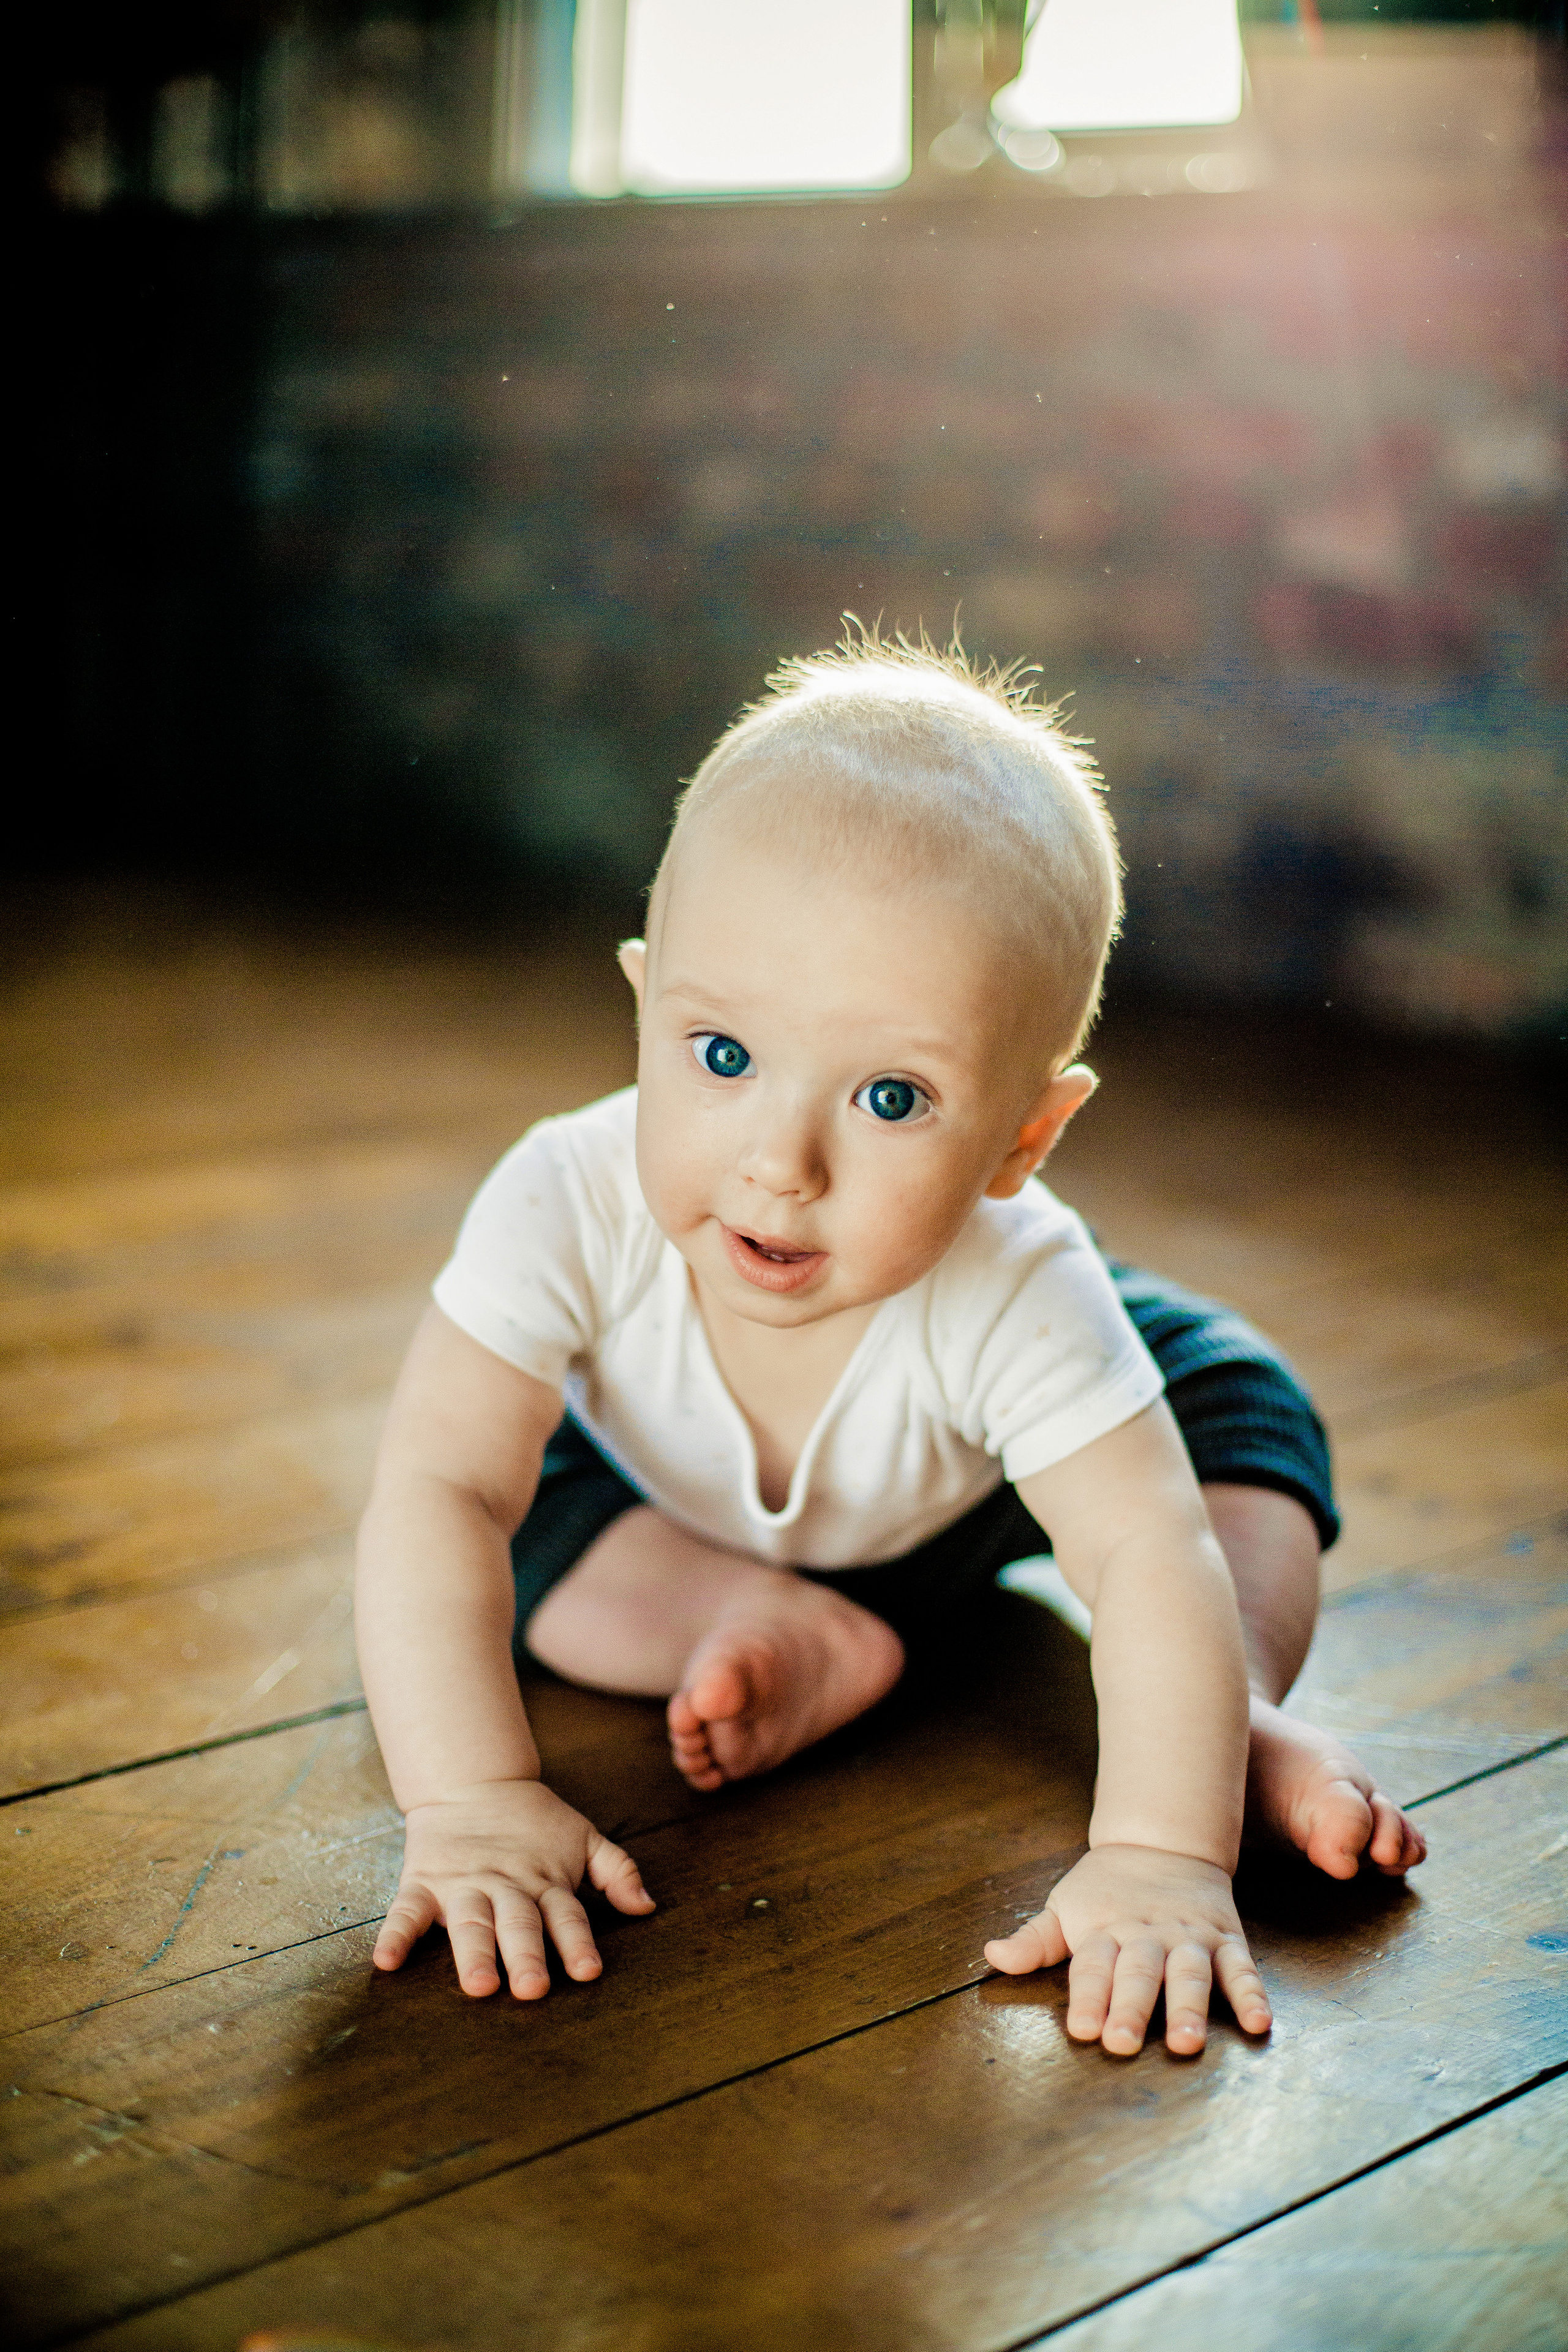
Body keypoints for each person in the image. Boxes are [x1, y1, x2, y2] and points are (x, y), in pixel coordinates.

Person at [355, 633, 1425, 2060]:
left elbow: (1137, 1553)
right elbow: (437, 1492)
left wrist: (1161, 1858)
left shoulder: (1021, 1286)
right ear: (640, 1004)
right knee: (515, 1515)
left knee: (1234, 1421)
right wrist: (472, 1798)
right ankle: (753, 1622)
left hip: (974, 1487)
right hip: (658, 1491)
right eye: (720, 1057)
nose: (779, 1165)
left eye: (890, 1096)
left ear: (1023, 1140)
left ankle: (1224, 1716)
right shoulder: (563, 1195)